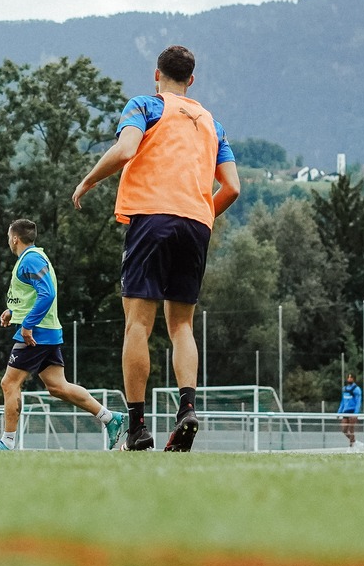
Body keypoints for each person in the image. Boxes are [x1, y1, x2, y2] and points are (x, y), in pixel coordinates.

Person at [71, 44, 241, 452]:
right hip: (196, 224)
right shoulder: (211, 123)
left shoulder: (145, 105)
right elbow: (232, 186)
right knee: (181, 324)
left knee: (138, 325)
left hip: (152, 218)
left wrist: (89, 181)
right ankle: (187, 409)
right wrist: (203, 216)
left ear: (156, 74)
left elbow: (127, 149)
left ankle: (137, 427)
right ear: (192, 80)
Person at [0, 219, 127, 451]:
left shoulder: (31, 259)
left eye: (8, 238)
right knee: (58, 386)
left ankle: (6, 443)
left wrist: (28, 324)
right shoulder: (34, 258)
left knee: (9, 383)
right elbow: (32, 295)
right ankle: (109, 418)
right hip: (47, 331)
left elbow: (47, 294)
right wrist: (13, 312)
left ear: (14, 238)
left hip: (36, 333)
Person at [338, 373, 363, 447]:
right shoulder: (344, 389)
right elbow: (343, 401)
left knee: (351, 428)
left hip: (352, 410)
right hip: (345, 411)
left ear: (354, 379)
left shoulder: (356, 389)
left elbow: (358, 402)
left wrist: (356, 413)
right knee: (344, 430)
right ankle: (354, 441)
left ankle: (351, 445)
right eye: (348, 378)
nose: (349, 379)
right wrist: (339, 412)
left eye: (351, 378)